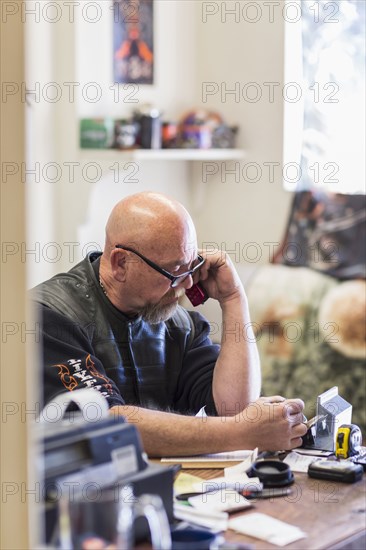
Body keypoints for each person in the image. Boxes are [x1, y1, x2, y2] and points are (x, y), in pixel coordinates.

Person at [32, 191, 307, 456]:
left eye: (191, 266)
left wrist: (234, 299)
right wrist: (240, 434)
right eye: (174, 271)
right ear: (120, 263)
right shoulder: (50, 316)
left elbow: (234, 409)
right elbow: (107, 422)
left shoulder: (180, 326)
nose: (187, 283)